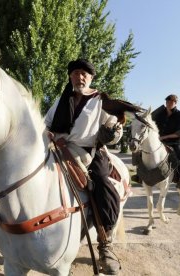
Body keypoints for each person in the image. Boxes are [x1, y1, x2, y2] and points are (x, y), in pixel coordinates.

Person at [44, 58, 124, 274]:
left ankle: (105, 243)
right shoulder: (60, 100)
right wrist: (49, 134)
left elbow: (116, 127)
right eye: (76, 73)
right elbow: (46, 124)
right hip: (60, 148)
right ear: (70, 76)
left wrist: (112, 134)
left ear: (91, 78)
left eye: (84, 74)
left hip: (91, 150)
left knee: (101, 183)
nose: (80, 77)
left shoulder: (100, 100)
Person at [151, 94, 180, 188]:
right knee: (142, 151)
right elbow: (150, 122)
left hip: (175, 141)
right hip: (159, 141)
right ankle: (140, 175)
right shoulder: (160, 114)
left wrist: (164, 137)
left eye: (172, 101)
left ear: (175, 103)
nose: (169, 103)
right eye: (168, 101)